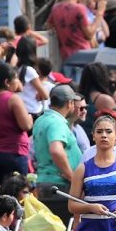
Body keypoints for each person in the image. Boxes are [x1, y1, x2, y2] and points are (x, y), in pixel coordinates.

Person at [32, 84, 84, 220]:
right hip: (59, 185)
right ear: (69, 103)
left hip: (45, 182)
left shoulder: (41, 120)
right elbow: (56, 150)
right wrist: (71, 176)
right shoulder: (57, 122)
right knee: (63, 228)